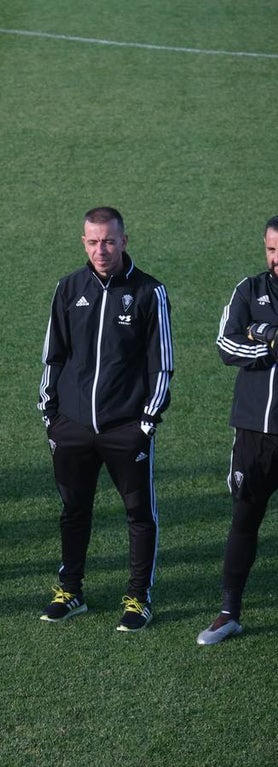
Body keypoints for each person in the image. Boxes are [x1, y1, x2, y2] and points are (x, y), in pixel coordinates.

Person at [37, 206, 173, 632]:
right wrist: (50, 416)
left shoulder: (150, 292)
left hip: (125, 429)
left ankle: (137, 598)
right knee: (73, 511)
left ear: (124, 240)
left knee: (138, 514)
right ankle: (71, 590)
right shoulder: (68, 288)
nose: (101, 249)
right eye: (93, 242)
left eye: (109, 241)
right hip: (72, 428)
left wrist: (146, 422)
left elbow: (161, 365)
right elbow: (53, 355)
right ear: (83, 242)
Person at [198, 215, 278, 645]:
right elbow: (226, 345)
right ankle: (228, 612)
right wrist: (268, 343)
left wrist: (262, 330)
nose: (276, 258)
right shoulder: (250, 290)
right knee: (244, 520)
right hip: (255, 433)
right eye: (271, 249)